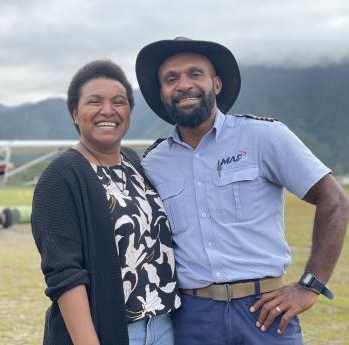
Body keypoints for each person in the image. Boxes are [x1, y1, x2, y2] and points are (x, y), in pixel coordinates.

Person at [136, 37, 349, 344]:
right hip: (192, 317)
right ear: (162, 93)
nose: (183, 85)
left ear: (216, 84)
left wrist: (309, 286)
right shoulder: (153, 163)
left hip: (264, 311)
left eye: (195, 74)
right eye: (171, 79)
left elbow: (335, 201)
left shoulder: (264, 137)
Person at [31, 60, 180, 345]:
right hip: (110, 333)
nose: (107, 111)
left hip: (164, 327)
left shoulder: (135, 163)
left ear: (129, 112)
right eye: (94, 101)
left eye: (119, 102)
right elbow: (65, 274)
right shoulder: (60, 177)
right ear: (75, 112)